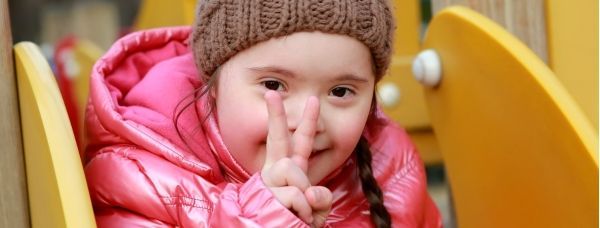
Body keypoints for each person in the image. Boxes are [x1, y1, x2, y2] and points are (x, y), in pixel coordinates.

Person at [83, 0, 442, 227]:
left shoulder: (392, 166)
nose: (307, 120)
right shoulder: (143, 182)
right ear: (214, 81)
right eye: (273, 86)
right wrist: (254, 220)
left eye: (340, 91)